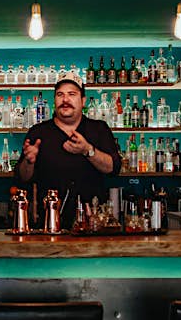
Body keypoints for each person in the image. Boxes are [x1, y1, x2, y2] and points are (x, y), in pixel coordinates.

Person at [15, 71, 122, 228]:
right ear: (54, 100)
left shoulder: (98, 129)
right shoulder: (38, 132)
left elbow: (114, 168)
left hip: (92, 224)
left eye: (72, 94)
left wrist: (88, 150)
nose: (65, 100)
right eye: (60, 94)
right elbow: (22, 177)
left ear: (83, 101)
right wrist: (29, 162)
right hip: (49, 224)